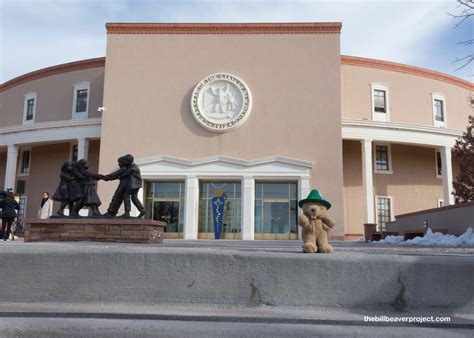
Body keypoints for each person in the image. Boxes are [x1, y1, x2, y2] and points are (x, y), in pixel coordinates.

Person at [103, 154, 145, 218]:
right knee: (134, 198)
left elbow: (121, 174)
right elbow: (118, 173)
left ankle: (127, 213)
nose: (119, 164)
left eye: (120, 162)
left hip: (132, 185)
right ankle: (141, 210)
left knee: (126, 196)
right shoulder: (131, 166)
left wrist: (108, 177)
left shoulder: (132, 167)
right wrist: (107, 177)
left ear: (126, 161)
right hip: (135, 185)